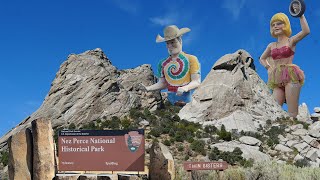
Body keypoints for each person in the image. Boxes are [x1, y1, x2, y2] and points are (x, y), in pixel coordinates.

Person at [259, 10, 310, 118]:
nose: (275, 26)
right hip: (276, 78)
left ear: (286, 25)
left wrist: (300, 15)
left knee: (292, 112)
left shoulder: (291, 41)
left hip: (291, 75)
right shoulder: (271, 45)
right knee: (274, 111)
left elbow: (306, 31)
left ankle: (297, 132)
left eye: (279, 23)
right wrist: (268, 67)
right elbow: (262, 58)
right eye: (273, 25)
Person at [141, 25, 201, 106]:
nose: (169, 46)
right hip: (170, 100)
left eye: (172, 42)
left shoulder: (192, 59)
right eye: (167, 43)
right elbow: (163, 84)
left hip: (186, 99)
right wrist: (148, 88)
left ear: (180, 40)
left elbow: (196, 82)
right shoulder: (162, 63)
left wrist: (185, 88)